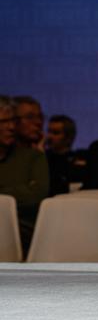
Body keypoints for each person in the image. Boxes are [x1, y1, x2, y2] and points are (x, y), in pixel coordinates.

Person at [0, 95, 49, 254]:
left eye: (13, 121)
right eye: (3, 122)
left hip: (22, 234)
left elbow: (37, 193)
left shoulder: (32, 157)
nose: (11, 127)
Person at [45, 114, 88, 196]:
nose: (49, 136)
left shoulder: (79, 160)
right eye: (49, 131)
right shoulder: (43, 158)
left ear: (69, 137)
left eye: (55, 133)